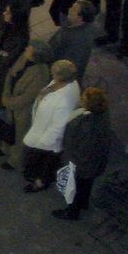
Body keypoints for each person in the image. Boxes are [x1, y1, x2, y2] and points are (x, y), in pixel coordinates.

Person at [21, 59, 81, 193]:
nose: (51, 75)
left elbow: (58, 126)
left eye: (54, 73)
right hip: (41, 130)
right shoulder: (62, 82)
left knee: (45, 164)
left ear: (61, 77)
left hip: (48, 140)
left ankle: (40, 183)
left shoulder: (65, 99)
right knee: (42, 161)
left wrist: (42, 143)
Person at [55, 86, 115, 219]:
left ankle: (72, 212)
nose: (80, 99)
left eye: (83, 98)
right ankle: (83, 203)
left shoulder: (87, 125)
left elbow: (81, 148)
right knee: (86, 184)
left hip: (81, 163)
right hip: (93, 162)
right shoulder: (102, 116)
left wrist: (70, 163)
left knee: (74, 188)